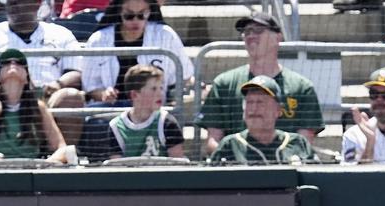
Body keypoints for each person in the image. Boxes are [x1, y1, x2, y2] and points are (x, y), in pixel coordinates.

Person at [196, 12, 323, 155]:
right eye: (246, 32)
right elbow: (213, 141)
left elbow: (303, 144)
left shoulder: (301, 87)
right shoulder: (224, 83)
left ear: (278, 37)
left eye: (258, 30)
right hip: (238, 169)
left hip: (284, 169)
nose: (250, 36)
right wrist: (235, 160)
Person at [81, 0, 193, 105]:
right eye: (129, 16)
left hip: (154, 109)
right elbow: (90, 85)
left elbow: (185, 75)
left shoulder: (166, 35)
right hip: (111, 109)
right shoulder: (98, 40)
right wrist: (104, 94)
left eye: (142, 15)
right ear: (119, 12)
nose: (136, 21)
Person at [0, 48, 69, 162]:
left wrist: (45, 165)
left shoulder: (38, 107)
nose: (13, 64)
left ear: (27, 77)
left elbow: (62, 148)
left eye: (19, 62)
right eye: (6, 62)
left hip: (31, 170)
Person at [0, 0, 82, 97]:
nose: (13, 6)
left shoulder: (61, 34)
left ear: (37, 4)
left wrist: (59, 84)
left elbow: (77, 72)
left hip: (49, 98)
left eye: (19, 1)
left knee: (71, 96)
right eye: (10, 2)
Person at [209, 75, 316, 165]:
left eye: (260, 102)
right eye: (250, 102)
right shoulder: (230, 146)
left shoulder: (298, 143)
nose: (253, 109)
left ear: (278, 110)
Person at [104, 64, 183, 159]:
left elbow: (178, 164)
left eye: (161, 88)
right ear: (134, 95)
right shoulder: (116, 127)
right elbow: (116, 167)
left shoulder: (167, 122)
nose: (160, 93)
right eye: (153, 89)